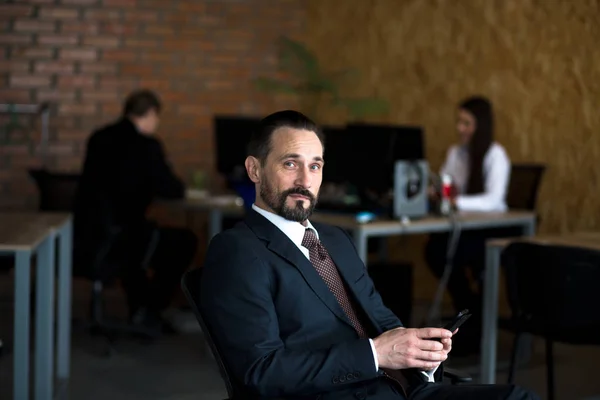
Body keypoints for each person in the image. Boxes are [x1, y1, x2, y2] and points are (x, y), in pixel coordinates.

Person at [200, 110, 538, 399]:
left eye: (315, 166)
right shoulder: (237, 251)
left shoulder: (335, 238)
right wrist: (376, 354)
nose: (305, 180)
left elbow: (382, 320)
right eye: (291, 164)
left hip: (406, 389)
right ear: (255, 170)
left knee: (517, 396)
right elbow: (261, 372)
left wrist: (419, 351)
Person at [74, 89, 197, 336]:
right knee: (183, 242)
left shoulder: (99, 138)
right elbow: (171, 189)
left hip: (89, 238)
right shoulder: (147, 146)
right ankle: (149, 309)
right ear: (150, 114)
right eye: (156, 117)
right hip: (126, 237)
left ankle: (141, 308)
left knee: (141, 243)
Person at [425, 96, 516, 355]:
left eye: (467, 122)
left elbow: (494, 200)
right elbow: (445, 185)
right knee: (435, 250)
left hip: (491, 231)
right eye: (459, 121)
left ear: (481, 125)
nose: (460, 128)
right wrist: (437, 194)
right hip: (463, 229)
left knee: (455, 252)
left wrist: (455, 201)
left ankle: (472, 314)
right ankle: (467, 307)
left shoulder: (495, 155)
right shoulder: (456, 153)